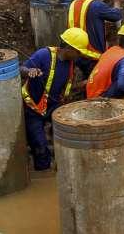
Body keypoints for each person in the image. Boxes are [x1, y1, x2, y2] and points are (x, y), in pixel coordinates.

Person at [21, 28, 92, 171]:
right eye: (78, 52)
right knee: (40, 146)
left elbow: (64, 87)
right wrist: (30, 71)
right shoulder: (43, 55)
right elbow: (20, 68)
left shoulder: (71, 64)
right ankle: (43, 174)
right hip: (34, 108)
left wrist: (83, 85)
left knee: (70, 135)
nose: (79, 56)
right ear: (69, 48)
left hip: (54, 106)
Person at [67, 0, 123, 77]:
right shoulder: (96, 5)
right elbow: (116, 16)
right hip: (92, 57)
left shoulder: (73, 4)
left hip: (75, 54)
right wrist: (117, 2)